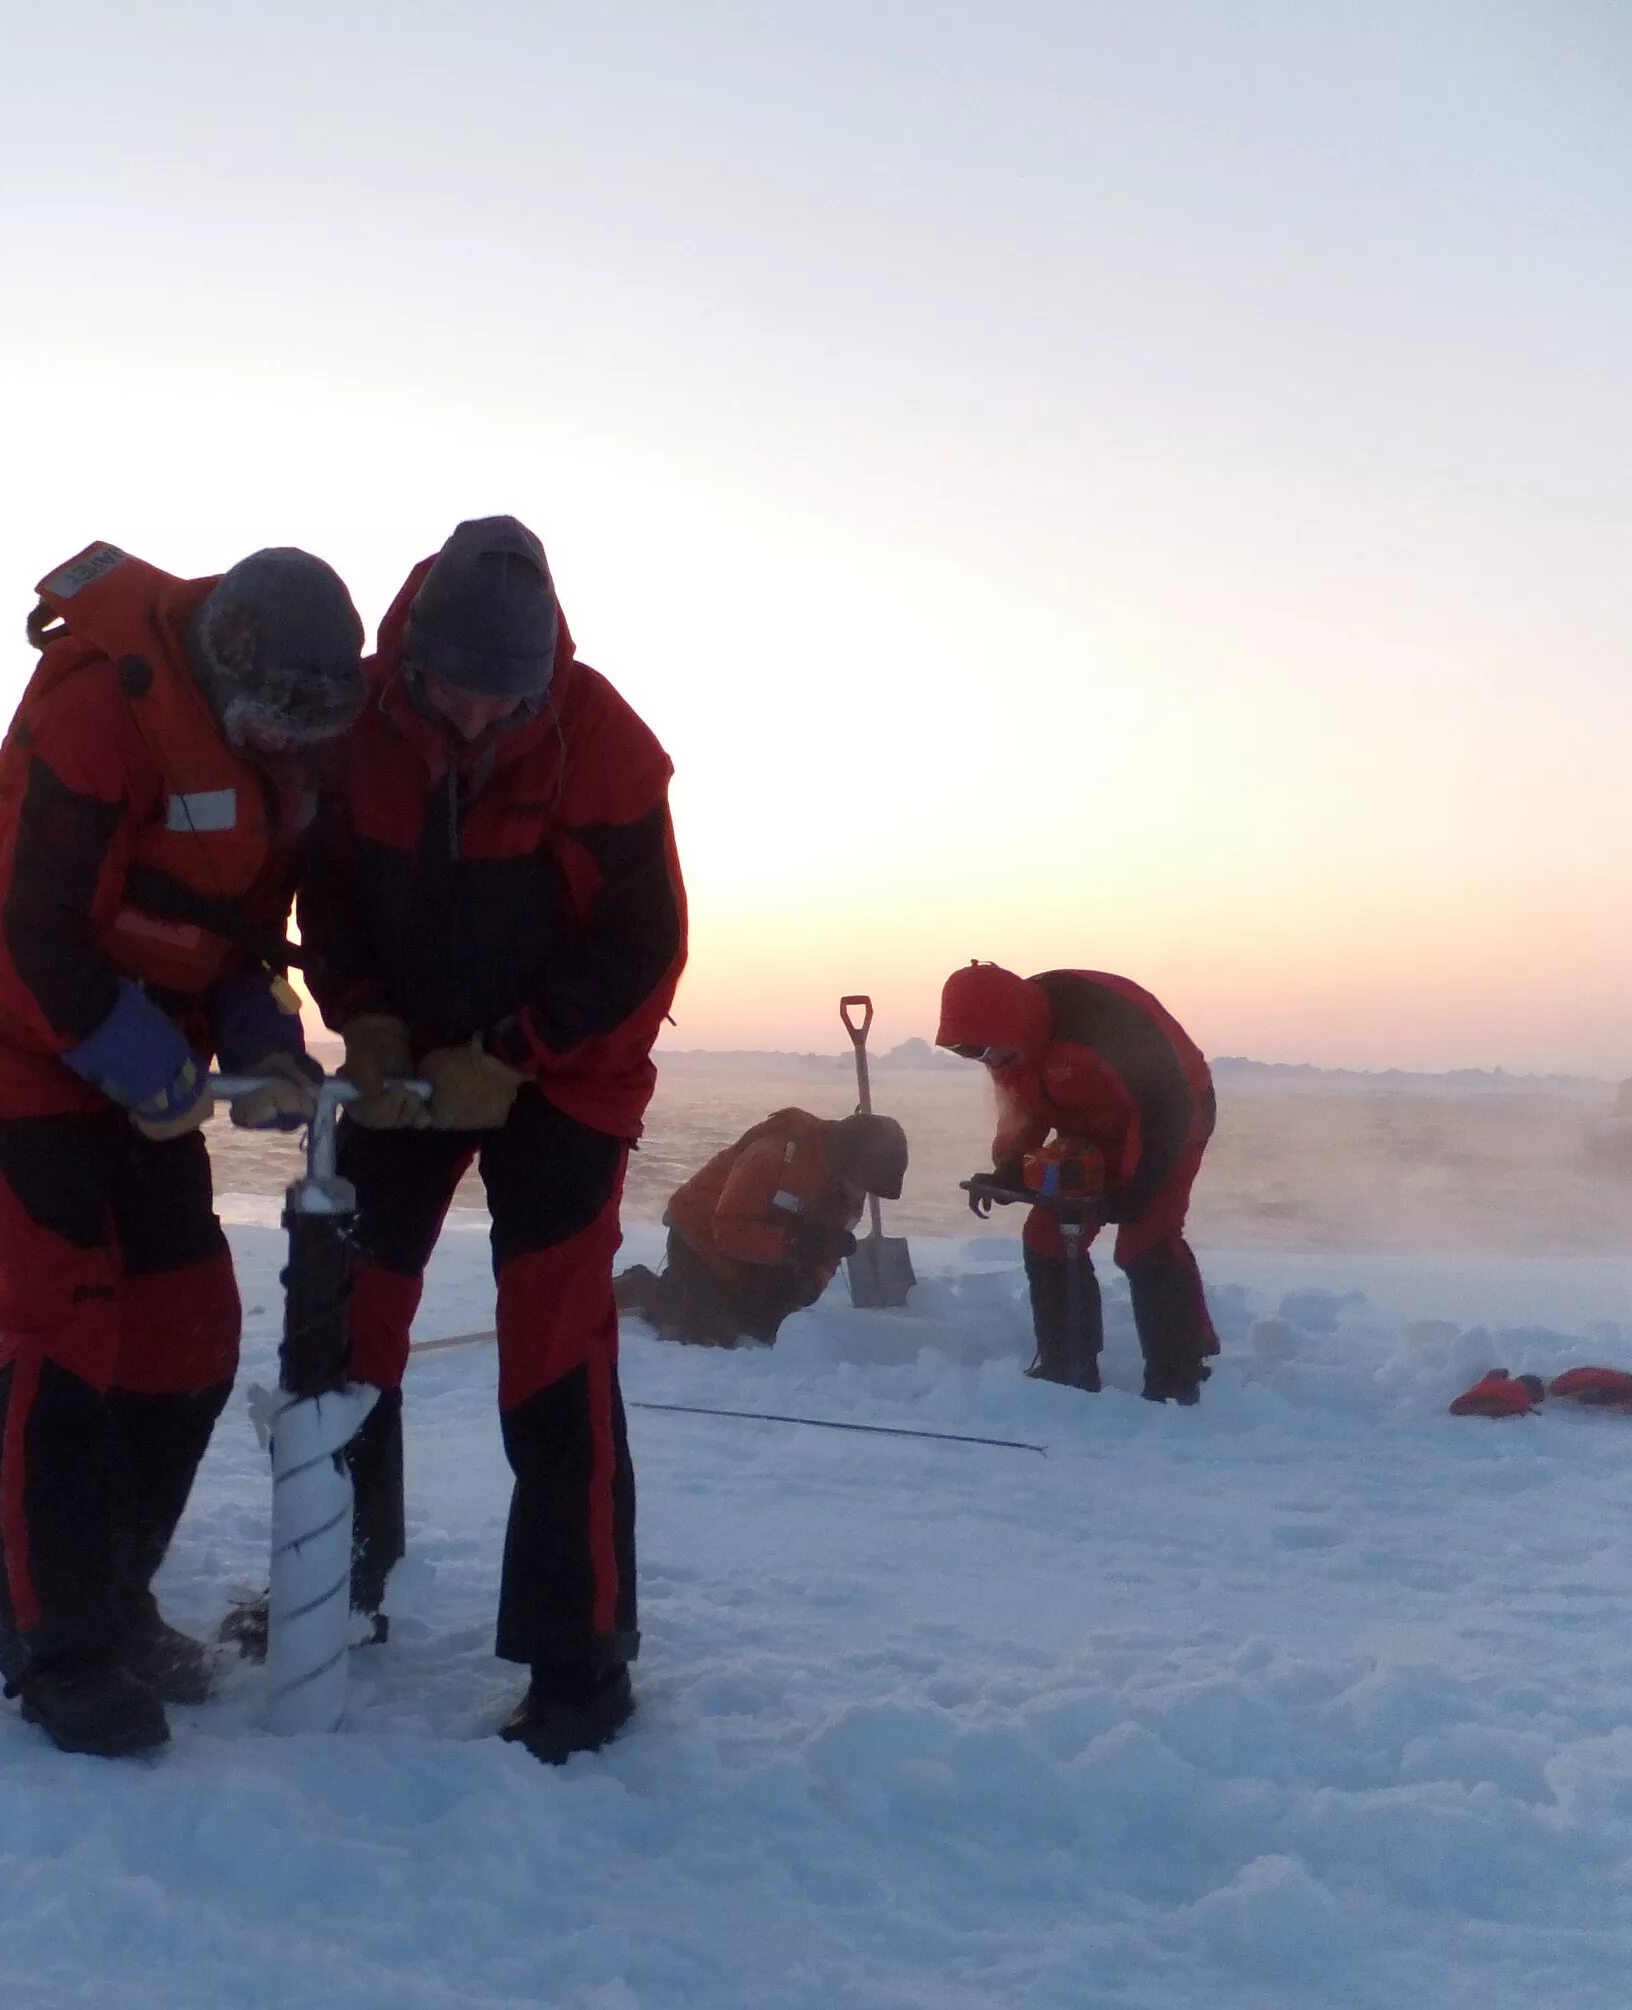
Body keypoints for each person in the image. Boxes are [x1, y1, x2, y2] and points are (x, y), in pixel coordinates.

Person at [0, 540, 365, 1756]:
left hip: (156, 1063)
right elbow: (27, 935)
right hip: (28, 1049)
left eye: (311, 725)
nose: (292, 743)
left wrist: (259, 1034)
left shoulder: (279, 757)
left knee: (184, 1335)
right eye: (281, 716)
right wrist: (133, 1055)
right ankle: (56, 1647)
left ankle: (117, 1594)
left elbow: (235, 929)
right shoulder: (98, 710)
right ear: (233, 666)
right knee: (67, 1326)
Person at [296, 514, 685, 1764]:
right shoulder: (355, 719)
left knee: (552, 1346)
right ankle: (331, 1584)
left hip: (565, 1074)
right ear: (413, 655)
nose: (472, 723)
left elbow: (642, 949)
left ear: (545, 678)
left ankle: (582, 1662)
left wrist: (515, 1051)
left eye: (501, 702)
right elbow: (330, 891)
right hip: (411, 1056)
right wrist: (365, 1019)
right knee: (346, 1315)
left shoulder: (608, 747)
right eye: (452, 693)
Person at [934, 961, 1219, 1402]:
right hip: (1087, 1126)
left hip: (1174, 1115)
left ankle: (1178, 1376)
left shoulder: (1099, 1026)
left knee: (1145, 1240)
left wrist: (1135, 1188)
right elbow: (1023, 1107)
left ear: (1014, 1026)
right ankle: (1067, 1367)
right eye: (970, 1053)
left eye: (986, 1050)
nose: (986, 1060)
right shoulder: (1008, 1046)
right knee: (1048, 1237)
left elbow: (1165, 1108)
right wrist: (1011, 1167)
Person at [619, 1109, 909, 1346]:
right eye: (863, 1185)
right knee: (708, 1332)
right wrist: (793, 1244)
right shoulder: (775, 1153)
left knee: (763, 1328)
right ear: (848, 1164)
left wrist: (811, 1282)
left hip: (762, 1253)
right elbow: (728, 1229)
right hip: (699, 1237)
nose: (861, 1196)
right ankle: (641, 1288)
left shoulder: (847, 1193)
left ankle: (698, 1294)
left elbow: (827, 1251)